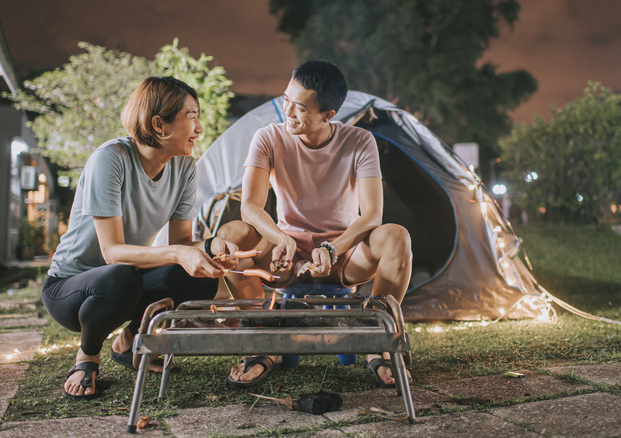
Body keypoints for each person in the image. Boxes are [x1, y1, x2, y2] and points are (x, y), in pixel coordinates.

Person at [42, 76, 242, 400]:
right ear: (159, 124)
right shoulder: (111, 159)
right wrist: (178, 254)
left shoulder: (184, 168)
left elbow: (182, 242)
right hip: (72, 289)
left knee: (198, 274)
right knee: (120, 276)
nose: (199, 128)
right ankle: (87, 356)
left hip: (129, 280)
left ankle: (128, 343)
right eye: (191, 117)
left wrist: (211, 245)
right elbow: (111, 252)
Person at [217, 60, 413, 388]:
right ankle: (260, 340)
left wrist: (332, 249)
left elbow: (371, 215)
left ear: (327, 115)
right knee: (230, 235)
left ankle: (379, 341)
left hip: (345, 254)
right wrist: (281, 238)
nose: (288, 112)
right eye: (286, 100)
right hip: (284, 253)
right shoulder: (268, 138)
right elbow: (250, 207)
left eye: (300, 108)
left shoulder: (359, 141)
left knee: (396, 236)